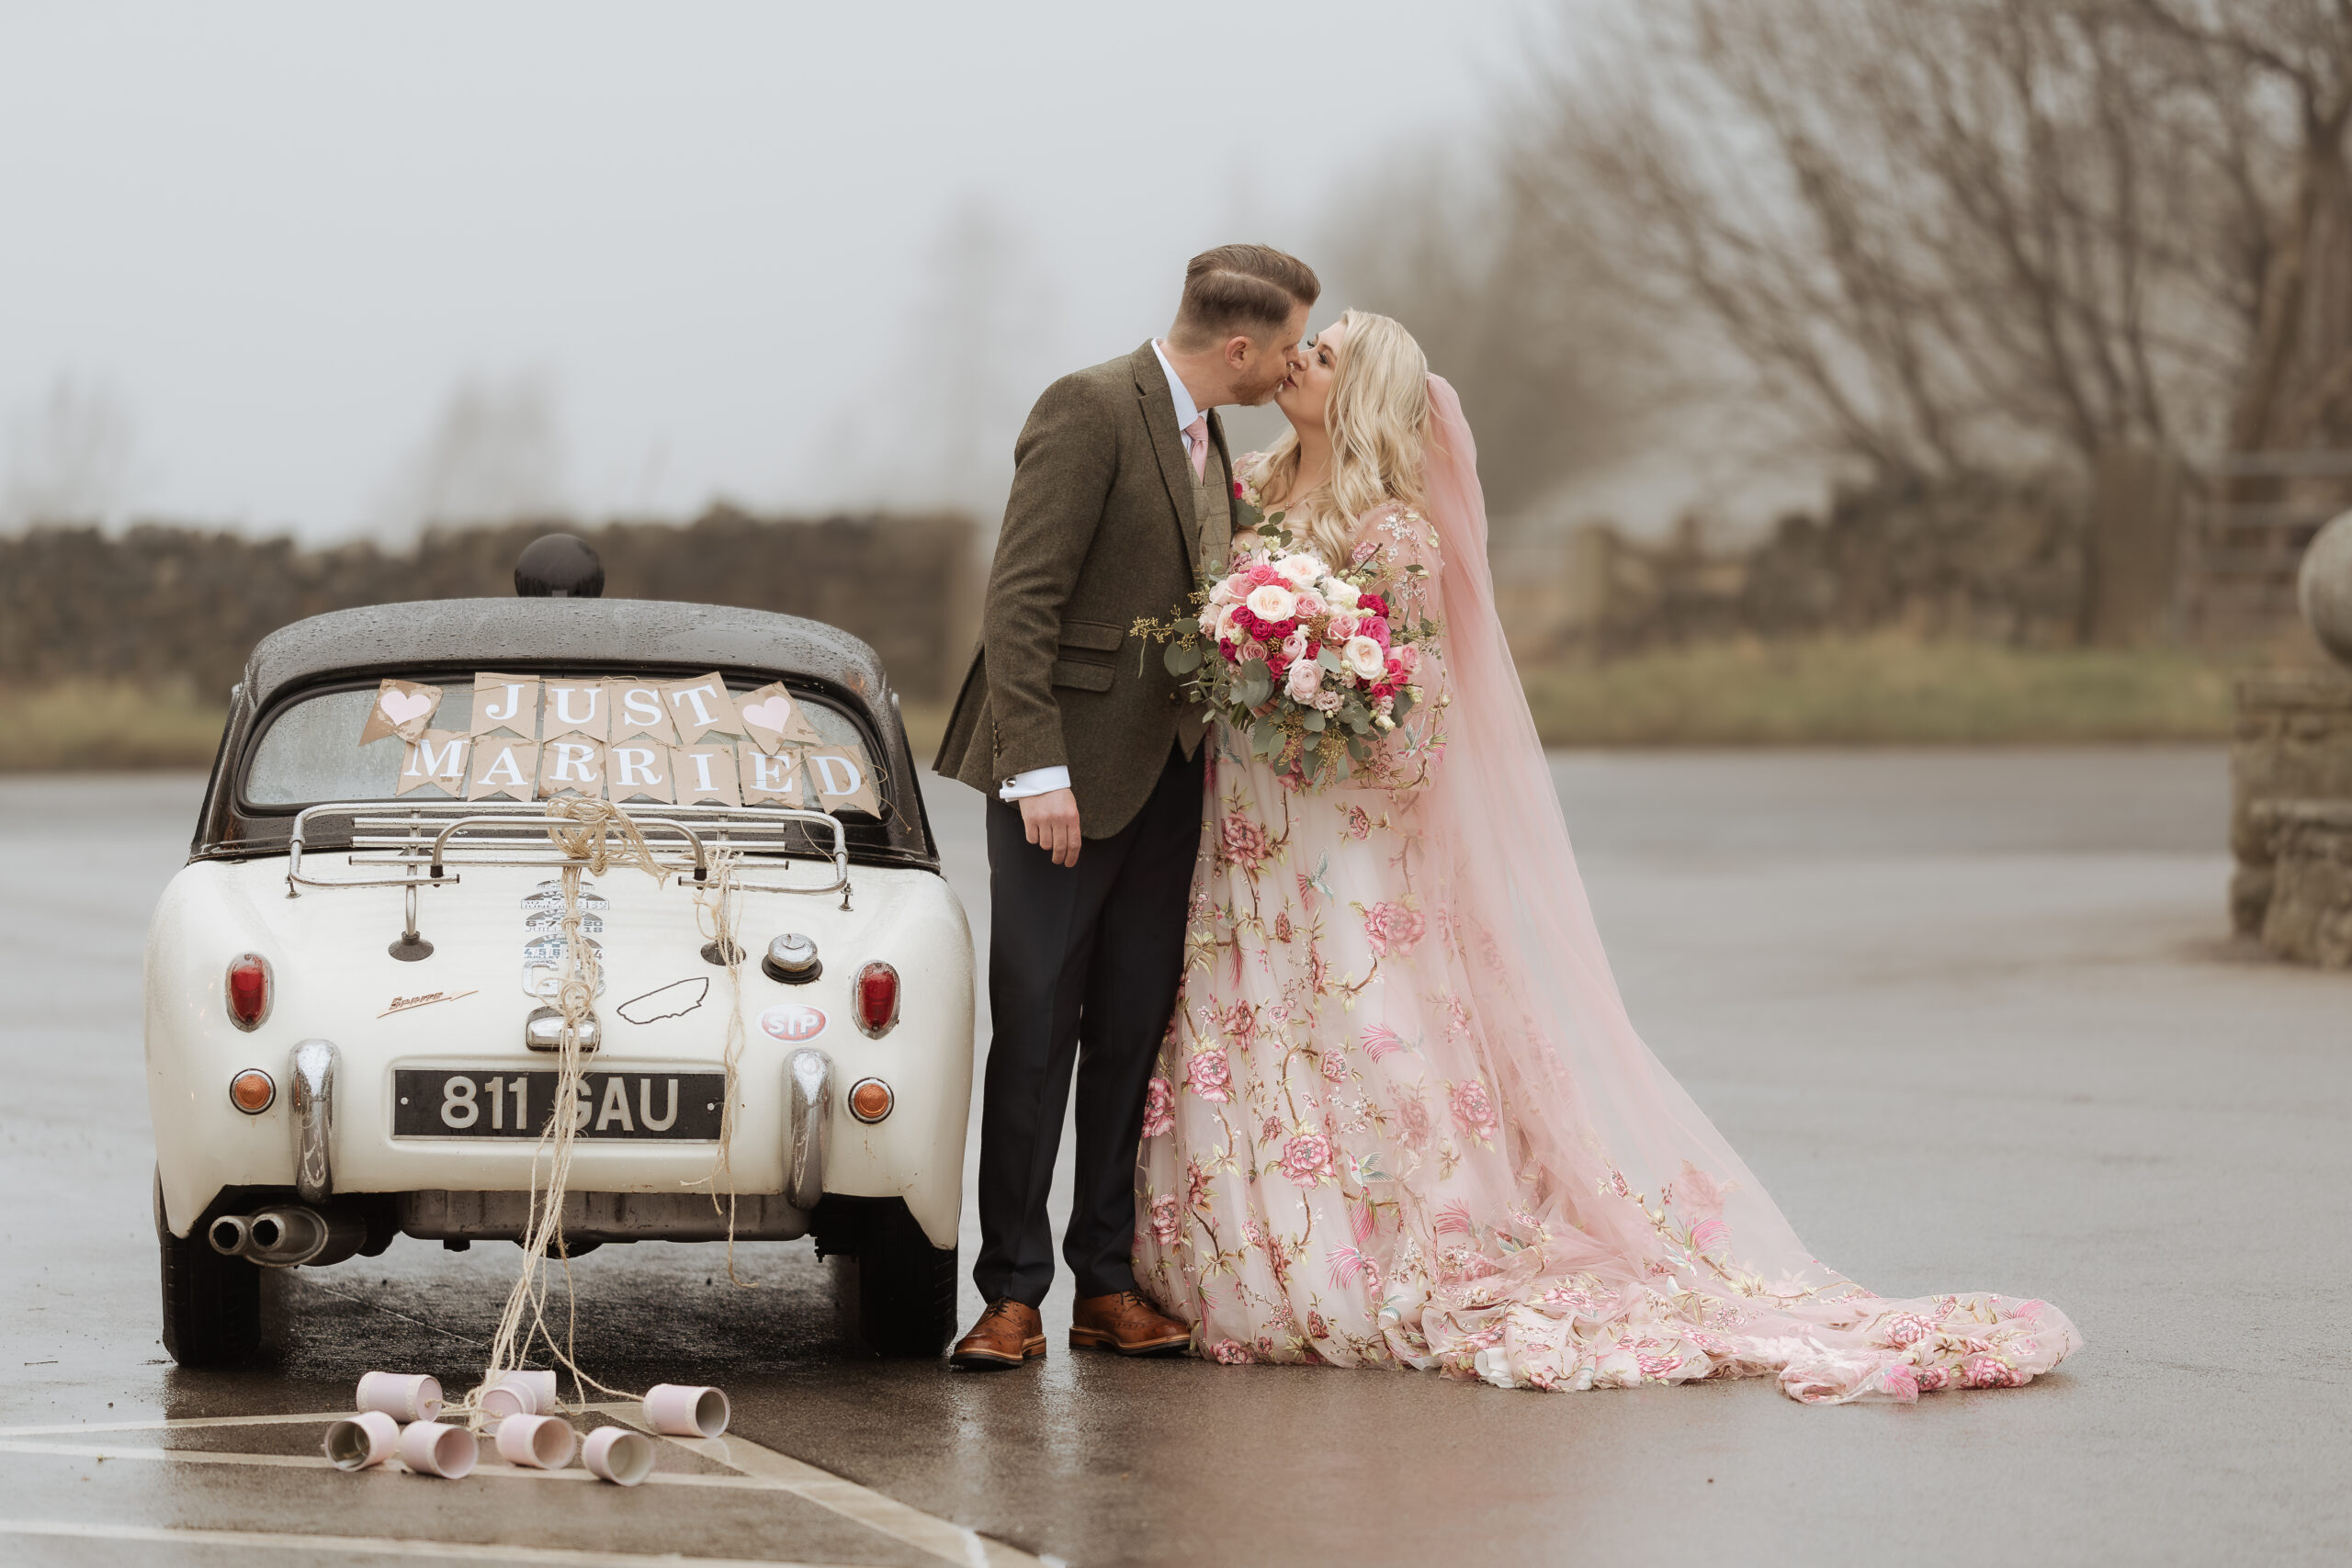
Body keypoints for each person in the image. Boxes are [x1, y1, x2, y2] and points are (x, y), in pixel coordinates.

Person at [1131, 310, 2083, 1402]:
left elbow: (1419, 721)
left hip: (1340, 833)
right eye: (1309, 343)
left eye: (1326, 352)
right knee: (1245, 1013)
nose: (1300, 356)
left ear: (1360, 396)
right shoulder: (1243, 484)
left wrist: (1323, 688)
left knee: (1367, 1031)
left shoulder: (1392, 533)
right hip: (1243, 832)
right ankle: (1241, 1248)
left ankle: (1384, 1243)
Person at [934, 243, 1320, 1368]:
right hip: (1060, 785)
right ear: (1240, 346)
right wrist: (1037, 771)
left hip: (1168, 779)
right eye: (1288, 345)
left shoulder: (1217, 445)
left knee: (1128, 1038)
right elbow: (1021, 602)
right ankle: (1009, 1291)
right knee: (1038, 1033)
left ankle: (1104, 1284)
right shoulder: (1090, 407)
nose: (1291, 365)